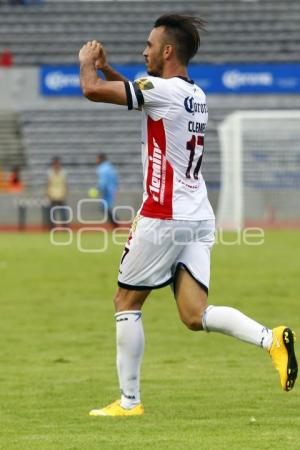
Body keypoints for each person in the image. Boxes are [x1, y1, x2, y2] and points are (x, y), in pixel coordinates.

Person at [79, 14, 298, 417]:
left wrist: (87, 59)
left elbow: (92, 90)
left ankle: (129, 403)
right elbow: (146, 92)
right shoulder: (195, 94)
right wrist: (113, 70)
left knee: (126, 300)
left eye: (149, 44)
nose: (143, 50)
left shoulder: (159, 90)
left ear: (167, 51)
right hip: (197, 214)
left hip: (163, 214)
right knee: (195, 314)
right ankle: (272, 340)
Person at [95, 153, 119, 225]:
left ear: (101, 159)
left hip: (107, 190)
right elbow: (115, 179)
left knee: (105, 207)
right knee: (107, 207)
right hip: (112, 189)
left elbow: (103, 181)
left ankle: (115, 223)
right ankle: (115, 222)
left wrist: (99, 189)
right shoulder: (110, 167)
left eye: (97, 158)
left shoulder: (102, 168)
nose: (96, 160)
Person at [46, 157, 68, 228]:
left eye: (57, 163)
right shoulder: (50, 172)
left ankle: (65, 226)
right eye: (55, 163)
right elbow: (48, 184)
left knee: (63, 212)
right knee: (52, 212)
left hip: (61, 194)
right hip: (52, 194)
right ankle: (52, 226)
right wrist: (48, 193)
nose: (56, 165)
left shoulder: (63, 172)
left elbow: (65, 184)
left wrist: (64, 193)